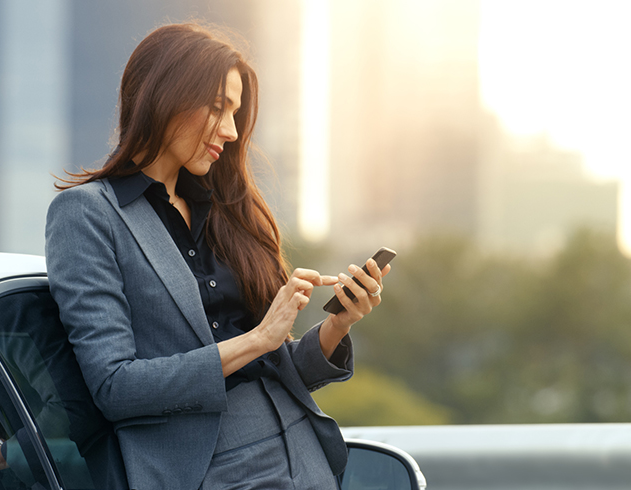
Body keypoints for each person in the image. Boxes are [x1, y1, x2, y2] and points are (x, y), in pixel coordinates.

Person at [45, 22, 389, 490]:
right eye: (218, 108)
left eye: (235, 113)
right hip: (209, 471)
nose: (230, 131)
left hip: (303, 454)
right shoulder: (88, 214)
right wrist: (259, 338)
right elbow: (115, 387)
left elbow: (270, 369)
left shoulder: (224, 208)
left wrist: (337, 325)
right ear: (165, 96)